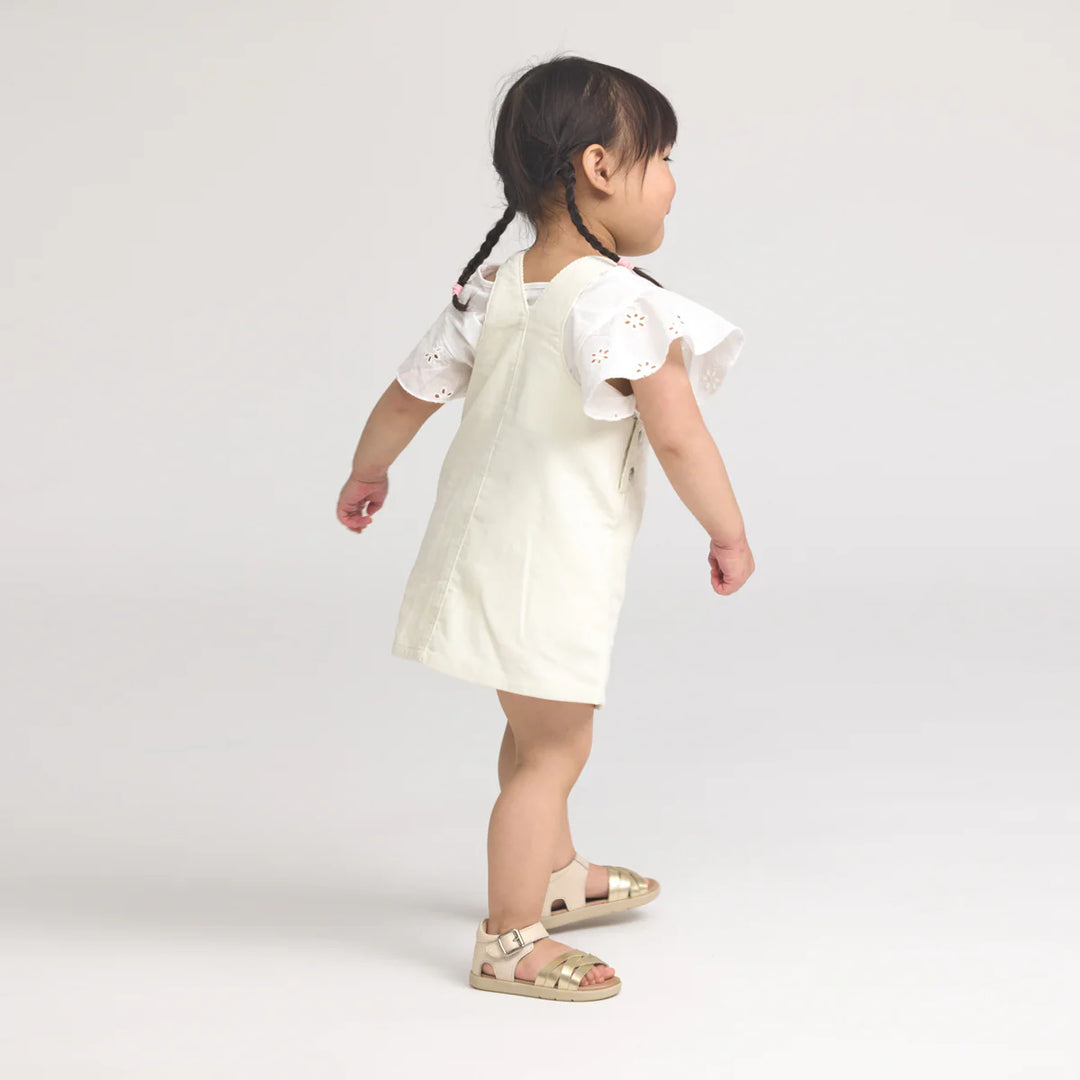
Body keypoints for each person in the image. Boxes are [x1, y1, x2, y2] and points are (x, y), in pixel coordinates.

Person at [336, 54, 755, 1002]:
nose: (673, 181)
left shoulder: (494, 286)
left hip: (480, 552)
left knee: (532, 734)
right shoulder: (623, 304)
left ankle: (553, 875)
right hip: (548, 562)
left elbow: (408, 397)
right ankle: (510, 937)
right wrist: (727, 532)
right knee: (558, 749)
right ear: (602, 168)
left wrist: (369, 471)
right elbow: (681, 438)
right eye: (664, 159)